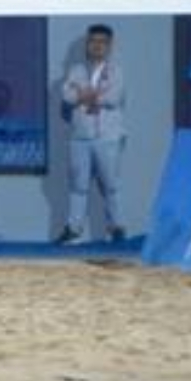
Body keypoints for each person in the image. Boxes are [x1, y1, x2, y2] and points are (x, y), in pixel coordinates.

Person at [58, 23, 125, 245]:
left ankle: (116, 227)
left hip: (107, 137)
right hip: (80, 137)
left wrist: (84, 94)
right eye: (92, 41)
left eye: (101, 42)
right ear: (87, 44)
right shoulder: (76, 70)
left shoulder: (116, 71)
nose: (96, 46)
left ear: (109, 46)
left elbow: (113, 98)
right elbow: (67, 96)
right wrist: (88, 95)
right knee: (78, 185)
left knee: (110, 185)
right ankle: (74, 228)